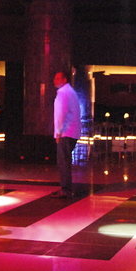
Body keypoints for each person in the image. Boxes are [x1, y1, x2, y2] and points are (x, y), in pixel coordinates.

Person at [51, 70, 81, 199]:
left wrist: (58, 132)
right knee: (66, 160)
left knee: (63, 161)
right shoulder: (71, 92)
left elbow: (60, 114)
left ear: (64, 80)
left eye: (58, 78)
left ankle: (65, 189)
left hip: (65, 132)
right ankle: (66, 188)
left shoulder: (62, 93)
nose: (55, 81)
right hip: (73, 131)